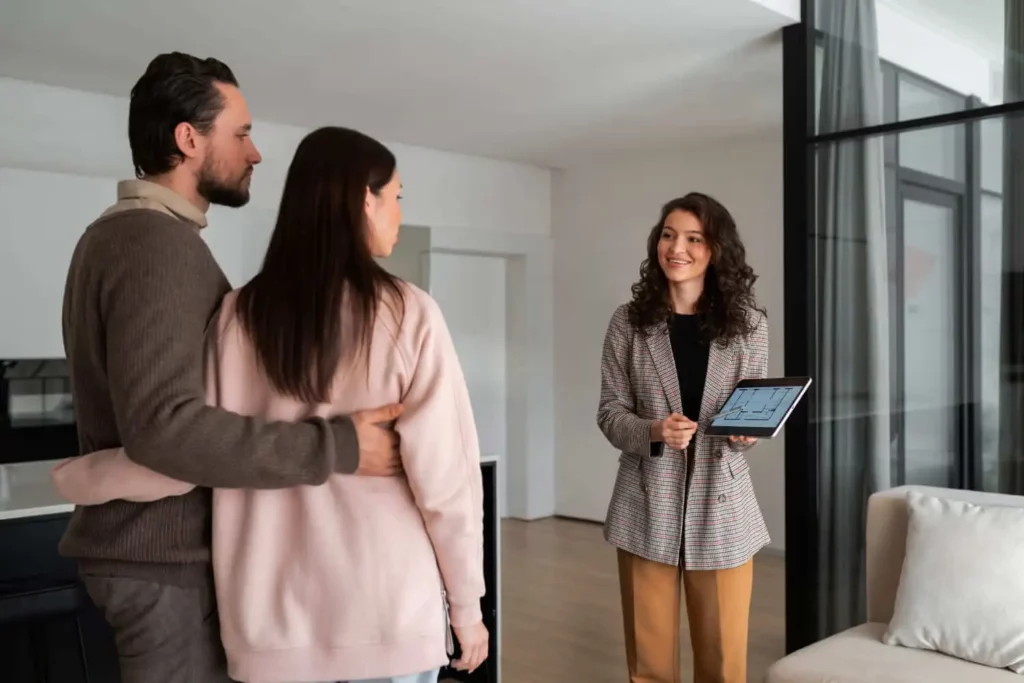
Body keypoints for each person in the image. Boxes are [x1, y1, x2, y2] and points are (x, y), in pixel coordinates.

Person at [53, 125, 489, 683]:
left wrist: (81, 478)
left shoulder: (237, 316)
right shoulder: (409, 314)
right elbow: (447, 484)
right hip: (389, 617)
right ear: (364, 199)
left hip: (269, 633)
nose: (399, 215)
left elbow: (184, 458)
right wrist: (466, 610)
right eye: (397, 196)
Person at [597, 192, 770, 683]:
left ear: (716, 249)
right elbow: (610, 414)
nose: (678, 247)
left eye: (694, 238)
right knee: (649, 666)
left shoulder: (750, 326)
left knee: (722, 663)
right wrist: (653, 430)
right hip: (644, 507)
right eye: (669, 235)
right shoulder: (628, 324)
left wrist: (746, 435)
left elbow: (752, 410)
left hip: (723, 511)